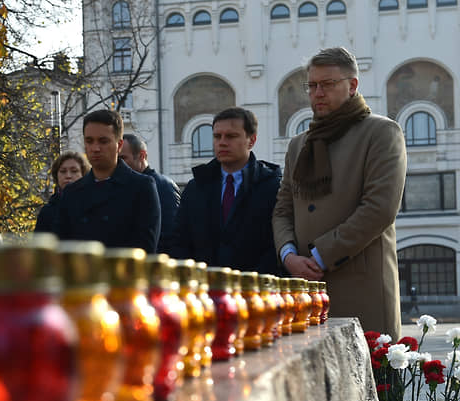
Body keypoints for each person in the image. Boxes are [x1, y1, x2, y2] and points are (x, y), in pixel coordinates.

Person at [272, 47, 406, 339]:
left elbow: (379, 209)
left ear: (353, 85)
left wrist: (320, 256)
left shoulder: (381, 133)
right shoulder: (299, 144)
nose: (317, 92)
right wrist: (289, 255)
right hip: (307, 293)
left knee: (369, 380)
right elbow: (283, 208)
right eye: (312, 85)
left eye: (328, 84)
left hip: (361, 288)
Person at [166, 107, 282, 274]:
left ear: (252, 140)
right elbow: (180, 243)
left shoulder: (272, 187)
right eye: (216, 136)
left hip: (254, 292)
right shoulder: (196, 188)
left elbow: (275, 245)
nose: (222, 142)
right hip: (203, 290)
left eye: (231, 136)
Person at [53, 109, 161, 252]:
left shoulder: (141, 187)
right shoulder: (72, 193)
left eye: (103, 141)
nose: (95, 148)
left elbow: (144, 249)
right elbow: (62, 249)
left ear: (119, 145)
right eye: (89, 141)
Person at [119, 134, 181, 253]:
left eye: (123, 158)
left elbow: (171, 236)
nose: (118, 164)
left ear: (142, 156)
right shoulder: (124, 185)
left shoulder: (163, 186)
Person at [34, 151, 89, 233]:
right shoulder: (47, 212)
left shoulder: (95, 206)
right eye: (63, 171)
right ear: (56, 175)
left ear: (84, 174)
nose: (68, 176)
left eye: (74, 171)